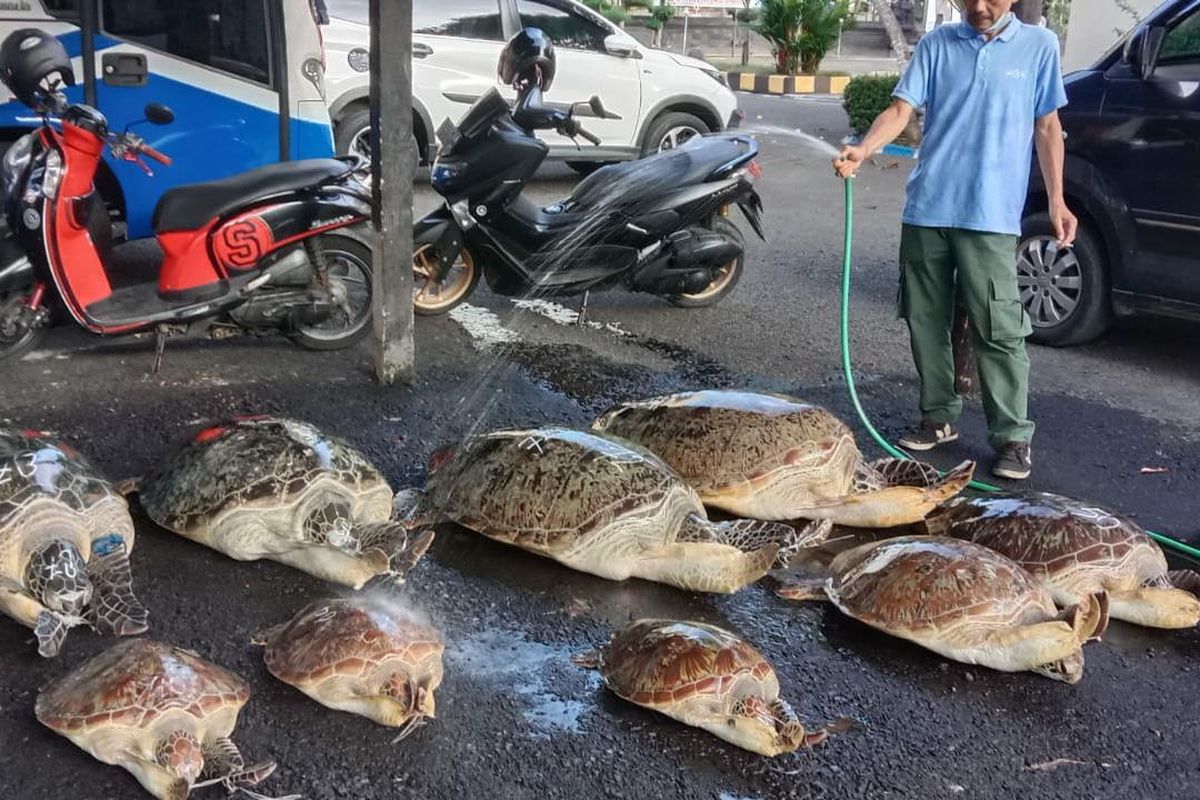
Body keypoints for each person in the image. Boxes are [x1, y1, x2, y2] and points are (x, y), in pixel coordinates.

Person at [833, 0, 1077, 481]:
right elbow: (901, 109)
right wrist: (863, 147)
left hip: (991, 215)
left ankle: (1012, 436)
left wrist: (1056, 201)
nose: (979, 7)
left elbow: (1048, 127)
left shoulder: (1038, 46)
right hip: (928, 207)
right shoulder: (937, 44)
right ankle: (938, 415)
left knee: (998, 326)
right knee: (925, 317)